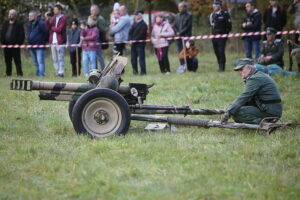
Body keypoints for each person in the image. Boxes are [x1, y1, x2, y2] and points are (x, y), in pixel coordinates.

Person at [221, 58, 282, 125]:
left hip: (270, 111)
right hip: (270, 109)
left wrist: (229, 111)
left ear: (249, 68)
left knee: (238, 114)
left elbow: (244, 96)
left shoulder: (255, 78)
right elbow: (247, 99)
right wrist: (231, 108)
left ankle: (264, 124)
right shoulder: (257, 75)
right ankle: (264, 121)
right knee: (237, 111)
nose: (240, 73)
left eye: (241, 69)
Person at [45, 4, 67, 77]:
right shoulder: (53, 18)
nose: (54, 11)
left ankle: (61, 72)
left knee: (60, 57)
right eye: (54, 9)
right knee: (54, 58)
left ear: (60, 10)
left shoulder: (63, 18)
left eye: (55, 9)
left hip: (60, 41)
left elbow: (60, 29)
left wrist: (52, 28)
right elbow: (48, 27)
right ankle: (57, 72)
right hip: (52, 41)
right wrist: (47, 19)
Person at [0, 9, 25, 76]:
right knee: (7, 61)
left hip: (15, 46)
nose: (10, 15)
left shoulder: (18, 24)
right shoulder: (5, 23)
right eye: (9, 14)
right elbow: (2, 33)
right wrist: (3, 42)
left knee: (17, 61)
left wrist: (18, 44)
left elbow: (22, 35)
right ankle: (8, 74)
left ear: (15, 15)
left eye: (12, 14)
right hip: (6, 46)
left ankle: (19, 74)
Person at [210, 0, 232, 72]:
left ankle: (222, 67)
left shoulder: (225, 14)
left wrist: (226, 35)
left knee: (221, 51)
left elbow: (229, 26)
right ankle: (219, 64)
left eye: (216, 6)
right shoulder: (212, 15)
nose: (214, 7)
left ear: (219, 6)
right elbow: (212, 25)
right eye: (213, 6)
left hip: (222, 36)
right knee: (216, 51)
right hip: (214, 36)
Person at [27, 10, 49, 77]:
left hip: (40, 47)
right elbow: (29, 34)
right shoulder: (30, 24)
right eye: (29, 16)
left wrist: (42, 42)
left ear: (35, 16)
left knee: (40, 62)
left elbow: (47, 33)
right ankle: (37, 74)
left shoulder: (41, 24)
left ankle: (41, 75)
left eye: (31, 16)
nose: (29, 17)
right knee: (35, 63)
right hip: (32, 47)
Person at [174, 1, 192, 73]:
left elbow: (188, 26)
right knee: (180, 52)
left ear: (185, 7)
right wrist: (176, 32)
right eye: (179, 7)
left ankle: (189, 66)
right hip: (178, 37)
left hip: (186, 37)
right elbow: (175, 26)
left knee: (187, 51)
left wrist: (180, 33)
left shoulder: (189, 15)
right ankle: (182, 65)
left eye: (181, 7)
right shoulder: (177, 15)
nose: (179, 8)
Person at [128, 10, 148, 75]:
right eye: (135, 15)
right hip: (133, 45)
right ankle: (135, 71)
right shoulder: (134, 23)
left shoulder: (144, 25)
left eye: (137, 15)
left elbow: (141, 34)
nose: (136, 16)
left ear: (140, 15)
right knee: (133, 59)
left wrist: (133, 41)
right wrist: (130, 40)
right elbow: (130, 32)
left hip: (140, 45)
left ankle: (143, 72)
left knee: (141, 59)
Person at [90, 5, 106, 71]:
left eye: (92, 10)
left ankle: (104, 70)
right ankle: (94, 71)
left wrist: (95, 27)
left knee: (99, 57)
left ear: (97, 11)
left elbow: (103, 30)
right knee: (93, 57)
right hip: (91, 41)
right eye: (91, 10)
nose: (91, 12)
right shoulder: (91, 18)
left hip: (98, 40)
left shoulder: (100, 19)